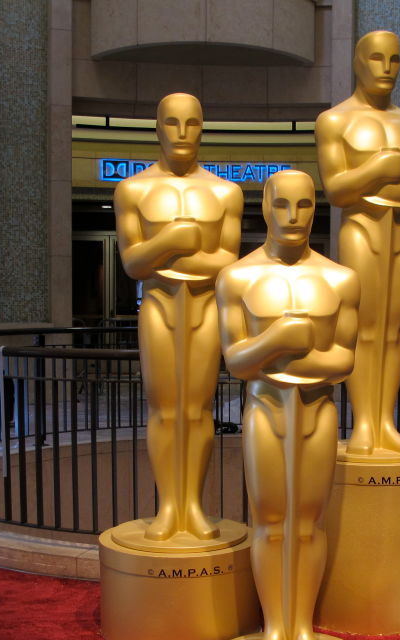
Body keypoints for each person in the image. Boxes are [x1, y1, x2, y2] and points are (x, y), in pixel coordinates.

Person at [216, 170, 359, 640]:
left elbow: (343, 361)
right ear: (264, 207)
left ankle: (303, 627)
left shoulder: (340, 279)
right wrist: (280, 340)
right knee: (272, 522)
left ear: (316, 208)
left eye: (304, 205)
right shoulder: (237, 278)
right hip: (265, 410)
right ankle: (275, 628)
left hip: (318, 412)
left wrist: (279, 357)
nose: (293, 217)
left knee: (308, 524)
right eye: (282, 206)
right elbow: (234, 361)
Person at [114, 93, 244, 542]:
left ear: (203, 127)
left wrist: (169, 257)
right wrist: (172, 239)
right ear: (157, 127)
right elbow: (132, 263)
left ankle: (194, 504)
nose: (182, 133)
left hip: (205, 308)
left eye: (192, 123)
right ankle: (169, 505)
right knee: (164, 409)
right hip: (158, 307)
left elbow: (228, 260)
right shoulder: (133, 190)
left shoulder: (225, 192)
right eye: (172, 123)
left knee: (198, 410)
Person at [315, 29, 400, 456]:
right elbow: (337, 191)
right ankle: (364, 423)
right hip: (361, 231)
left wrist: (374, 186)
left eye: (395, 59)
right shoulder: (335, 121)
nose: (386, 68)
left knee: (392, 331)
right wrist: (381, 171)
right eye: (377, 58)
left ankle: (387, 422)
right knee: (364, 330)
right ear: (357, 62)